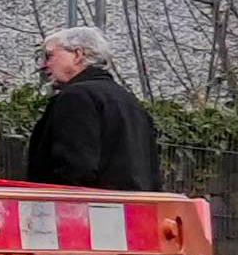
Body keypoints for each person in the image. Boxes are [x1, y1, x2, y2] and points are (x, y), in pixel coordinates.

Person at [12, 26, 166, 193]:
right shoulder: (129, 101)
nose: (44, 65)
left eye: (50, 56)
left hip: (88, 212)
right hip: (134, 210)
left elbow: (73, 170)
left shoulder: (76, 97)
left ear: (78, 55)